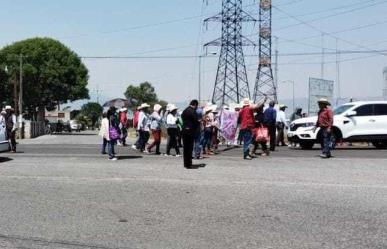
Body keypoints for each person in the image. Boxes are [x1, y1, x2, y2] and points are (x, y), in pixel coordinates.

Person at [181, 100, 200, 168]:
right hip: (190, 131)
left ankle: (185, 164)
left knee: (185, 148)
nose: (196, 107)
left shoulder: (185, 110)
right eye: (196, 106)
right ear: (195, 104)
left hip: (184, 130)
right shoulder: (193, 111)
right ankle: (189, 164)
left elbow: (182, 118)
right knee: (189, 148)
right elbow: (196, 121)